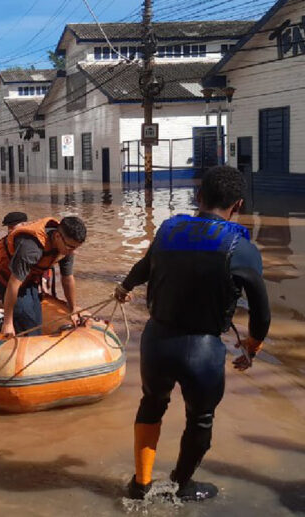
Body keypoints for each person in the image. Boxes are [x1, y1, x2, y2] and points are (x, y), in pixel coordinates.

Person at [115, 166, 271, 502]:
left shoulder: (169, 230)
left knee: (151, 404)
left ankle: (140, 485)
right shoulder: (242, 249)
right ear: (239, 205)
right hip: (203, 350)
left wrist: (125, 286)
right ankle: (180, 486)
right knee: (200, 419)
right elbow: (261, 310)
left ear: (198, 198)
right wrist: (252, 347)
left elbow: (144, 267)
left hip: (156, 341)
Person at [0, 216, 87, 336]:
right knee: (27, 323)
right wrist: (7, 323)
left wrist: (73, 309)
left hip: (30, 278)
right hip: (7, 279)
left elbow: (67, 279)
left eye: (76, 248)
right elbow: (13, 283)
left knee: (37, 321)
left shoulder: (67, 246)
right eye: (71, 247)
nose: (73, 252)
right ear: (57, 236)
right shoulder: (31, 247)